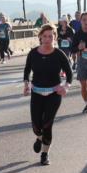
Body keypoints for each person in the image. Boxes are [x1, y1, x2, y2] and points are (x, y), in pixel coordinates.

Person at [23, 25, 73, 165]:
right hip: (37, 93)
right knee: (36, 126)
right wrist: (26, 84)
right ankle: (39, 137)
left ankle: (45, 154)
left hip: (53, 93)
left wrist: (66, 87)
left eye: (50, 36)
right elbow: (26, 71)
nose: (47, 39)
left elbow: (69, 74)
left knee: (47, 125)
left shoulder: (59, 54)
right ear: (40, 37)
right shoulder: (33, 53)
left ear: (55, 38)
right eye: (45, 36)